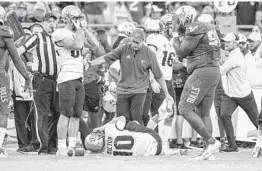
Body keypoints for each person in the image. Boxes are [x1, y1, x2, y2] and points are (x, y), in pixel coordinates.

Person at [87, 28, 174, 125]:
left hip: (139, 91)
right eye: (133, 41)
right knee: (121, 120)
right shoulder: (124, 48)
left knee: (136, 119)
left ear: (143, 41)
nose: (134, 44)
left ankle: (137, 138)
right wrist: (90, 63)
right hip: (122, 90)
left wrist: (166, 93)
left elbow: (159, 75)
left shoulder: (149, 54)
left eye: (137, 42)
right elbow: (106, 57)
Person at [172, 6, 221, 160]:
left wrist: (174, 33)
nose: (178, 22)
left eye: (179, 18)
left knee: (184, 108)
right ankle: (209, 151)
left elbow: (180, 52)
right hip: (213, 70)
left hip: (202, 72)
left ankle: (211, 142)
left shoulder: (195, 26)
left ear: (186, 17)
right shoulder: (206, 27)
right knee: (203, 113)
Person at [53, 5, 99, 156]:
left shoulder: (78, 32)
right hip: (66, 77)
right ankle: (61, 147)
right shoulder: (59, 33)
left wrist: (85, 29)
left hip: (79, 77)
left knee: (76, 115)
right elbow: (78, 45)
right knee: (65, 113)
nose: (77, 21)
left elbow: (95, 45)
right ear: (66, 18)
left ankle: (72, 145)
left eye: (78, 18)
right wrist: (80, 30)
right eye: (74, 18)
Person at [17, 12, 60, 155]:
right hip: (41, 80)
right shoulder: (37, 37)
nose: (52, 24)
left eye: (54, 21)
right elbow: (19, 50)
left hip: (57, 80)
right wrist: (26, 66)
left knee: (57, 113)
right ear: (43, 24)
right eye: (49, 21)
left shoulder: (59, 39)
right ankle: (44, 147)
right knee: (42, 114)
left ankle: (53, 146)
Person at [0, 6, 31, 157]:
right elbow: (17, 59)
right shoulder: (5, 31)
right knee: (2, 111)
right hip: (0, 76)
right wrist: (27, 77)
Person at [85, 116, 162, 156]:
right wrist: (103, 127)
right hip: (154, 138)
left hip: (155, 151)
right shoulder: (109, 130)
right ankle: (159, 116)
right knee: (131, 123)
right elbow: (122, 118)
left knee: (128, 129)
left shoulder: (106, 153)